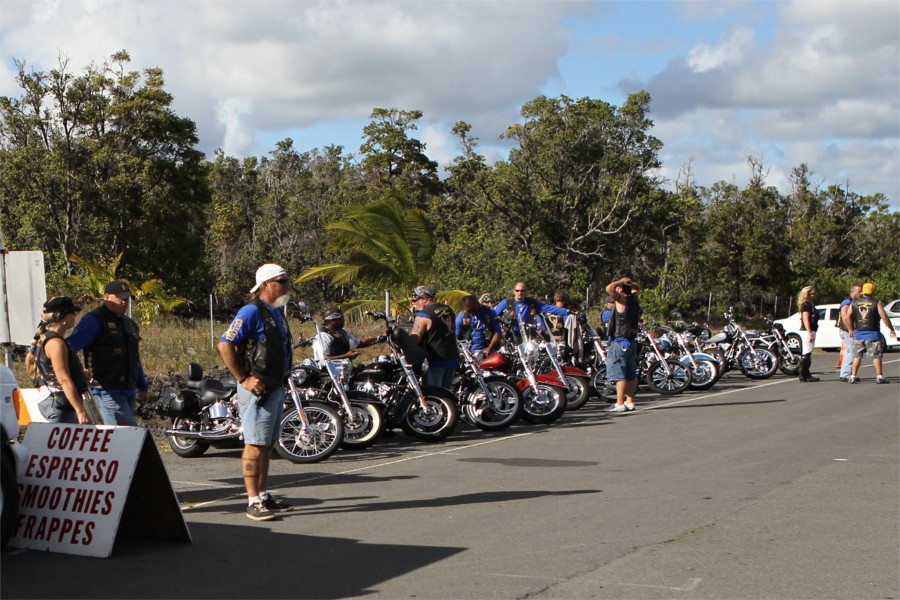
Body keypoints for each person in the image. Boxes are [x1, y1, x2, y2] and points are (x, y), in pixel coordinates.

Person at [218, 263, 294, 521]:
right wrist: (243, 378)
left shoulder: (276, 312)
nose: (286, 285)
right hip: (258, 387)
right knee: (254, 443)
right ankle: (252, 500)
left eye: (286, 280)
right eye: (282, 281)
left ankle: (262, 495)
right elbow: (225, 343)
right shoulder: (251, 311)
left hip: (274, 385)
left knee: (267, 443)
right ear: (266, 285)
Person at [67, 280, 148, 425]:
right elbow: (68, 348)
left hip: (128, 390)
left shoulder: (130, 324)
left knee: (122, 436)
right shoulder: (94, 320)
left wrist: (142, 386)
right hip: (106, 390)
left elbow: (134, 357)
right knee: (126, 435)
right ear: (106, 297)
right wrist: (79, 370)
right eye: (120, 298)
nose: (124, 302)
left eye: (127, 299)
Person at [25, 297, 94, 424]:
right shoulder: (56, 343)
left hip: (58, 401)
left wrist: (78, 373)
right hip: (58, 403)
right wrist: (80, 410)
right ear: (62, 318)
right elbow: (63, 379)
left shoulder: (49, 339)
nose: (75, 315)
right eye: (72, 313)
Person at [845, 282, 896, 384]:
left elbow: (847, 316)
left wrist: (851, 328)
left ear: (863, 291)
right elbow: (884, 317)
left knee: (857, 356)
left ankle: (853, 376)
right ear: (873, 291)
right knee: (876, 355)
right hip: (873, 333)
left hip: (858, 333)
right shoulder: (877, 303)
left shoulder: (854, 302)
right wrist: (891, 329)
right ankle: (879, 376)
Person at [409, 285, 459, 389]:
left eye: (415, 299)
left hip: (436, 361)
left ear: (424, 299)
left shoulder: (423, 315)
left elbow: (415, 339)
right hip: (452, 357)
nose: (413, 302)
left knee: (433, 394)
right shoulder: (447, 309)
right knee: (446, 393)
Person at [604, 277, 642, 412]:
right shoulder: (635, 300)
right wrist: (630, 282)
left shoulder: (622, 300)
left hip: (620, 340)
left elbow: (609, 288)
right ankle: (630, 401)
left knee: (620, 373)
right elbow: (637, 288)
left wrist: (620, 281)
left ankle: (619, 403)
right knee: (631, 373)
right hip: (631, 340)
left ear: (620, 290)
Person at [493, 282, 568, 338]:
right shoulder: (507, 303)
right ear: (514, 291)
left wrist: (567, 311)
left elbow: (548, 308)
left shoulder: (531, 302)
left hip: (529, 336)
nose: (520, 293)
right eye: (517, 290)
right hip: (511, 336)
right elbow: (492, 315)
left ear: (526, 292)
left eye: (522, 291)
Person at [313, 306, 386, 361]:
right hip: (331, 375)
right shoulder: (323, 336)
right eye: (341, 318)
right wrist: (346, 356)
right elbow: (323, 359)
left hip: (345, 371)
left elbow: (361, 344)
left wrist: (380, 338)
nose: (344, 320)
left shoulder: (342, 331)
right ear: (332, 321)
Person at [455, 294, 502, 359]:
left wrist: (489, 349)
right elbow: (456, 337)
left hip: (490, 350)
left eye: (474, 310)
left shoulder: (489, 312)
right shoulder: (462, 316)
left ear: (477, 304)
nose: (473, 313)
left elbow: (498, 333)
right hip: (470, 354)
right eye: (470, 312)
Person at [837, 284, 862, 382]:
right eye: (859, 291)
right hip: (846, 330)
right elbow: (844, 315)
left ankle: (847, 373)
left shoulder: (854, 302)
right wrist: (850, 329)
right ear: (853, 292)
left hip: (849, 330)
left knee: (851, 351)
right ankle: (845, 374)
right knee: (851, 351)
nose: (861, 293)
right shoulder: (847, 301)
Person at [796, 285, 820, 382]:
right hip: (807, 331)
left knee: (808, 353)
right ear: (807, 294)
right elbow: (806, 319)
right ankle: (803, 374)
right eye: (812, 293)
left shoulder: (809, 304)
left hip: (810, 330)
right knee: (806, 353)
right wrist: (809, 332)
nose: (814, 295)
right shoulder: (806, 305)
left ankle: (806, 373)